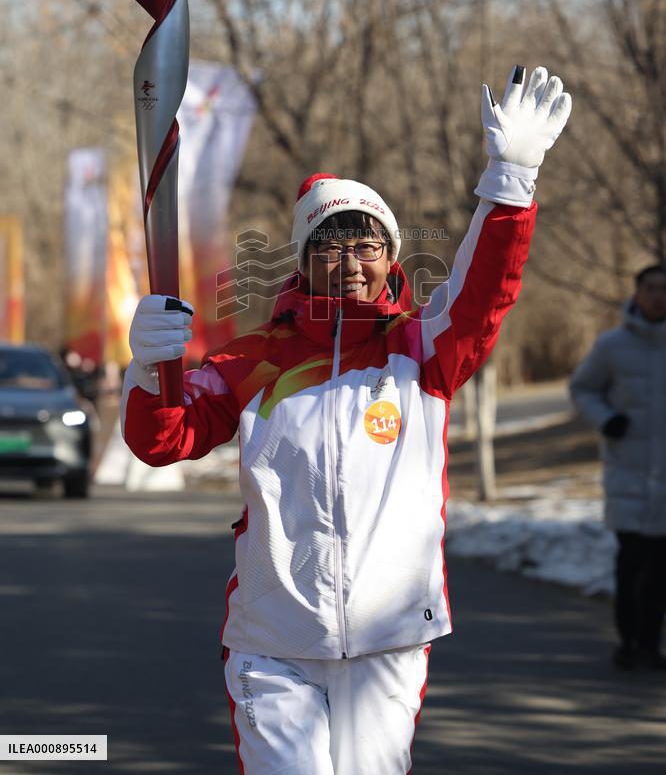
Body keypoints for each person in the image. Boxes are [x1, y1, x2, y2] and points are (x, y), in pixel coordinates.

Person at [122, 64, 571, 773]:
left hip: (389, 640)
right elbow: (162, 438)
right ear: (302, 264)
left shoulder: (422, 349)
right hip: (273, 642)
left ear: (391, 257)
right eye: (329, 246)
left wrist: (509, 181)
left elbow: (486, 291)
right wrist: (150, 370)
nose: (350, 262)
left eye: (366, 245)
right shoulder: (254, 361)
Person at [570, 265, 666, 671]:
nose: (658, 296)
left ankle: (650, 645)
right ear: (637, 294)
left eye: (664, 289)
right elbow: (582, 388)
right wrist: (607, 419)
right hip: (629, 472)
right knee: (630, 565)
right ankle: (627, 642)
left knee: (660, 570)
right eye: (651, 289)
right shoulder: (611, 346)